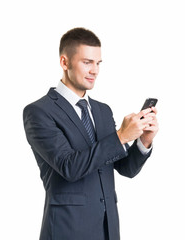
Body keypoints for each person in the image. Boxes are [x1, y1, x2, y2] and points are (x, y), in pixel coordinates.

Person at [23, 27, 158, 240]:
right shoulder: (39, 112)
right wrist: (121, 136)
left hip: (108, 230)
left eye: (98, 63)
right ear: (64, 62)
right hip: (67, 230)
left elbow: (125, 169)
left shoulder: (102, 110)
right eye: (87, 62)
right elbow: (69, 166)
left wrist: (144, 140)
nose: (95, 70)